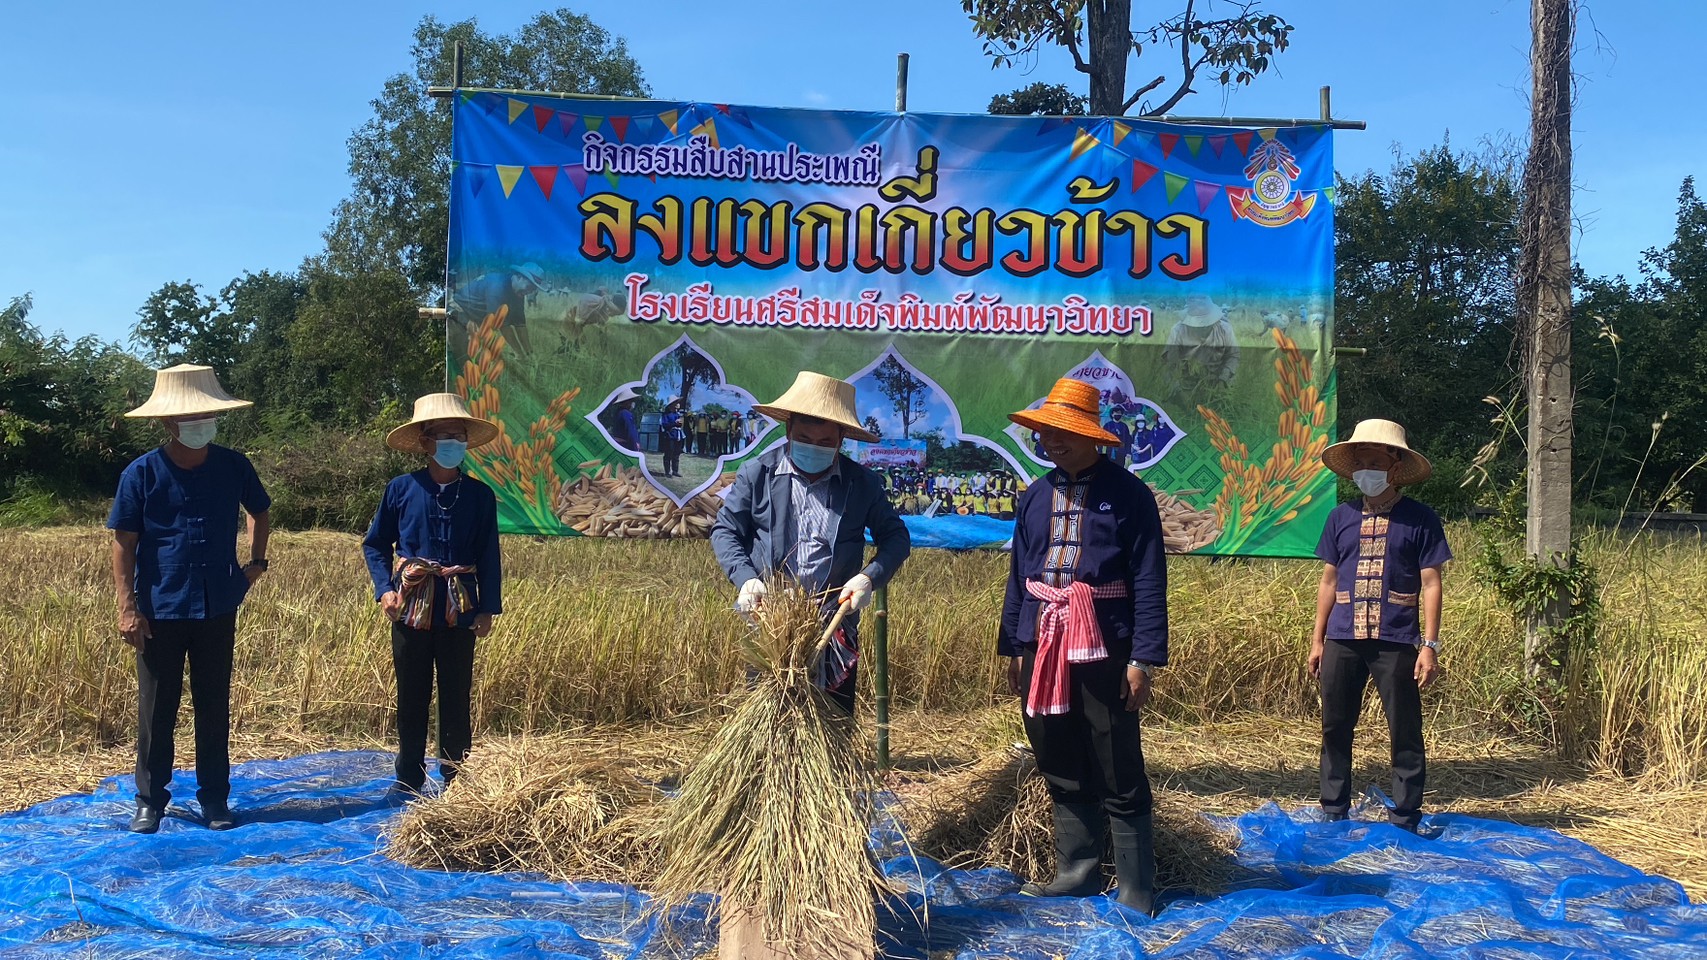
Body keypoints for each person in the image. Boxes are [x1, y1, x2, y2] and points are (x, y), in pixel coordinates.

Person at [998, 377, 1168, 915]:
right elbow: (1019, 576)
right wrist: (1015, 645)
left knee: (1115, 752)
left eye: (1064, 432)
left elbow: (1148, 578)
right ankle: (1077, 871)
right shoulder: (1035, 496)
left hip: (1104, 644)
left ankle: (1136, 886)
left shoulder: (1130, 495)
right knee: (1054, 746)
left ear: (1092, 435)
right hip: (1042, 641)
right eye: (1046, 432)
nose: (1053, 441)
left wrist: (1142, 658)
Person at [109, 364, 271, 834]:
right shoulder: (141, 473)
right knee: (156, 709)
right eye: (190, 417)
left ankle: (214, 798)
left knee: (213, 704)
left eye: (206, 415)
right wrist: (127, 606)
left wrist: (255, 565)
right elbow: (123, 542)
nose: (201, 423)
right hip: (159, 608)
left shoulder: (234, 466)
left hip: (217, 604)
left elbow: (260, 511)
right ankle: (150, 800)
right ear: (168, 422)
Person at [710, 371, 911, 714]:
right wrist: (746, 580)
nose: (813, 448)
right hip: (771, 623)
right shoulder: (758, 474)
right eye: (804, 438)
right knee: (768, 721)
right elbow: (725, 530)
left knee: (832, 719)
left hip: (833, 625)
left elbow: (896, 537)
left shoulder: (861, 484)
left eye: (824, 442)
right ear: (788, 430)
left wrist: (868, 578)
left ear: (841, 439)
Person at [1310, 419, 1449, 832]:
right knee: (1335, 725)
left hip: (1396, 638)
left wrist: (1429, 646)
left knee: (1404, 727)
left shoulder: (1420, 519)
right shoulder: (1341, 517)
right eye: (1360, 463)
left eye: (1375, 463)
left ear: (1395, 466)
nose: (1365, 471)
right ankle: (1333, 807)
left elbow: (1431, 583)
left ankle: (1405, 814)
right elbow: (1329, 581)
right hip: (1342, 636)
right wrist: (1317, 640)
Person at [363, 394, 504, 795]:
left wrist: (487, 608)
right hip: (411, 607)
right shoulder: (401, 489)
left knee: (456, 693)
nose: (452, 443)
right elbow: (375, 544)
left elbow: (488, 553)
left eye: (458, 436)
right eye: (444, 436)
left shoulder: (479, 495)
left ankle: (455, 776)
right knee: (411, 693)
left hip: (460, 607)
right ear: (425, 442)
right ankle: (408, 775)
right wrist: (384, 590)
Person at [453, 263, 544, 353]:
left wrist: (529, 352)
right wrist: (519, 353)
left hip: (476, 317)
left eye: (532, 290)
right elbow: (502, 325)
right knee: (469, 351)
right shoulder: (498, 286)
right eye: (528, 287)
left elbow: (520, 325)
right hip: (459, 310)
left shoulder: (518, 292)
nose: (529, 292)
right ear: (519, 277)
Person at [1161, 295, 1239, 395]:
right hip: (1187, 385)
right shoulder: (1178, 330)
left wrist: (1223, 378)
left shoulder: (1225, 329)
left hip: (1220, 383)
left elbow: (1233, 355)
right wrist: (1176, 390)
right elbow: (1169, 364)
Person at [660, 397, 687, 477]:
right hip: (670, 436)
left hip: (677, 436)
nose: (677, 404)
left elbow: (679, 425)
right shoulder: (666, 414)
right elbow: (665, 425)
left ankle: (675, 471)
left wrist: (679, 423)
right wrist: (674, 423)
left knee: (676, 453)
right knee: (668, 453)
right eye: (675, 402)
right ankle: (667, 472)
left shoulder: (677, 414)